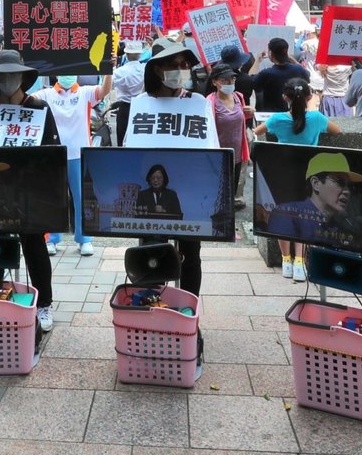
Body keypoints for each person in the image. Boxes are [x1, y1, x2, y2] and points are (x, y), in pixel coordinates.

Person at [113, 37, 216, 298]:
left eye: (185, 65)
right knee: (151, 251)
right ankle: (149, 304)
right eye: (175, 64)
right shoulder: (140, 104)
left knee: (191, 254)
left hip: (188, 194)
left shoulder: (198, 103)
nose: (182, 70)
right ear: (158, 69)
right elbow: (129, 150)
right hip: (149, 195)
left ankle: (188, 307)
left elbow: (212, 150)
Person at [0, 49, 59, 331]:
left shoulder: (39, 108)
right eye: (2, 76)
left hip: (29, 191)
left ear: (24, 78)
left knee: (34, 245)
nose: (8, 80)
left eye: (14, 75)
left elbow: (52, 151)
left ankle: (45, 304)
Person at [255, 78, 344, 279]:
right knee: (306, 216)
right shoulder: (318, 119)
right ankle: (299, 262)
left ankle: (286, 261)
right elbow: (337, 131)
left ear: (285, 97)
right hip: (309, 178)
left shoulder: (277, 120)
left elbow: (258, 131)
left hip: (283, 175)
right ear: (309, 97)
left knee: (283, 214)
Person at [35, 71, 111, 257]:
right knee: (54, 198)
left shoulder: (85, 92)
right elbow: (27, 98)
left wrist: (109, 70)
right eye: (63, 72)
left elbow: (104, 91)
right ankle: (52, 239)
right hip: (55, 154)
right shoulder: (46, 94)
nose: (66, 75)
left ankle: (84, 239)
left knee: (81, 199)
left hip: (79, 153)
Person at [266, 151, 362, 247]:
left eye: (351, 186)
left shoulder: (341, 228)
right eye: (340, 182)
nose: (347, 191)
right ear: (316, 184)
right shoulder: (287, 214)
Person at [207, 63, 252, 210]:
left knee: (231, 193)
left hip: (237, 155)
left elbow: (241, 121)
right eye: (224, 80)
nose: (230, 83)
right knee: (218, 193)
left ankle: (228, 226)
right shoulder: (210, 101)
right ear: (214, 82)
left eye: (232, 79)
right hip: (218, 156)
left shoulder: (239, 97)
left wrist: (250, 112)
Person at [252, 37, 310, 114]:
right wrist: (290, 58)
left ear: (271, 53)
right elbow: (307, 75)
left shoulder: (267, 73)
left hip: (272, 116)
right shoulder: (298, 69)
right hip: (294, 114)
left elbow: (249, 80)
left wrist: (257, 60)